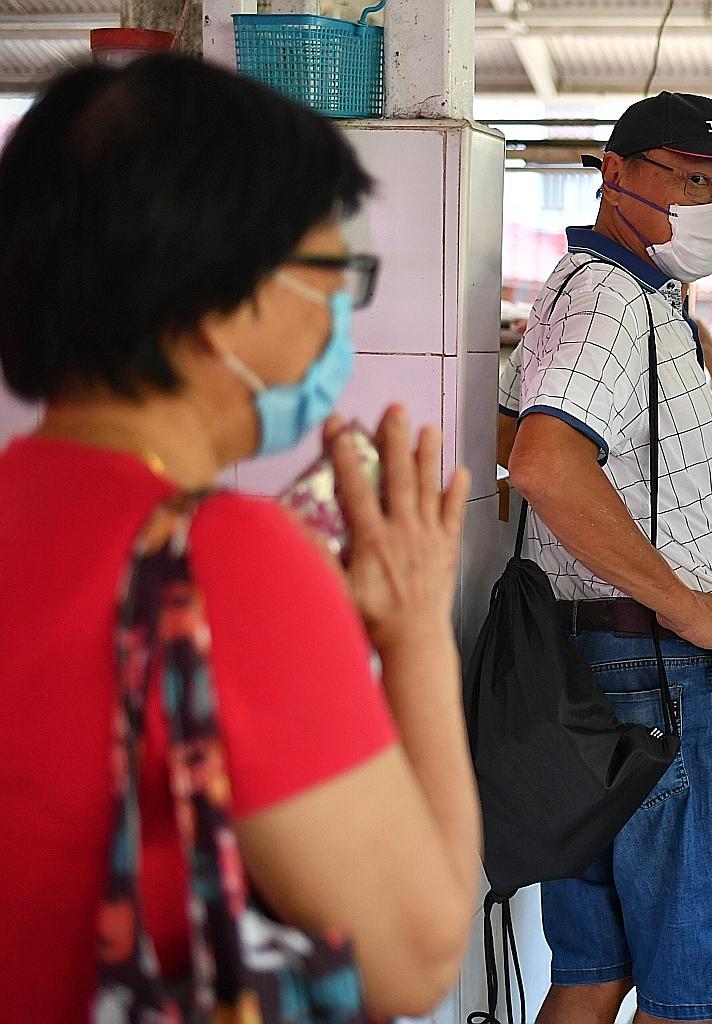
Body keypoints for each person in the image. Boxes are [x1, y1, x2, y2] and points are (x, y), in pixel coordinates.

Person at [0, 57, 480, 1020]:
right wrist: (417, 625)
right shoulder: (219, 561)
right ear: (215, 301)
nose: (341, 310)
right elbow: (412, 958)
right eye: (330, 274)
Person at [501, 91, 712, 1024]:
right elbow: (543, 460)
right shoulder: (616, 298)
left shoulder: (599, 292)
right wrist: (687, 606)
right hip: (661, 671)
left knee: (591, 969)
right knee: (690, 991)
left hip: (596, 664)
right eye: (693, 178)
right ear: (614, 172)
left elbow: (511, 436)